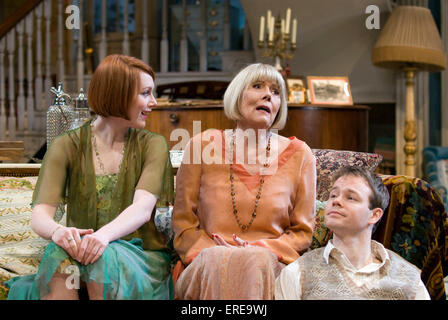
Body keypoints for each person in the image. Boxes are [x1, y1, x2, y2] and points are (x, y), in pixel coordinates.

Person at [5, 54, 174, 300]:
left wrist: (102, 237)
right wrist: (58, 232)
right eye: (146, 93)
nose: (154, 102)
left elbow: (141, 209)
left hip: (139, 256)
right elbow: (40, 215)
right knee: (58, 252)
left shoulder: (153, 145)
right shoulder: (66, 145)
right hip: (81, 250)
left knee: (102, 257)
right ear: (119, 94)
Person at [172, 63, 316, 299]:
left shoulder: (301, 154)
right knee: (219, 260)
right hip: (205, 262)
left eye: (276, 92)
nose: (268, 94)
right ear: (237, 96)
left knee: (254, 260)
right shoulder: (200, 146)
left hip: (270, 264)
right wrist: (216, 252)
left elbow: (302, 233)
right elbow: (183, 225)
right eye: (257, 86)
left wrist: (258, 249)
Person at [275, 166, 431, 300]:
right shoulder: (298, 273)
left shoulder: (409, 280)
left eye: (350, 197)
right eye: (333, 195)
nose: (335, 201)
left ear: (374, 215)